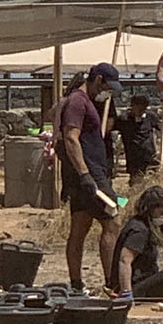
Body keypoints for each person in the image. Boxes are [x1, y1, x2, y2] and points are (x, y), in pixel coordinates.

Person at [59, 62, 122, 292]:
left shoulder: (90, 103)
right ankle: (111, 281)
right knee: (112, 219)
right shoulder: (77, 102)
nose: (107, 92)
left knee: (80, 225)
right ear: (98, 81)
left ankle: (77, 284)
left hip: (91, 172)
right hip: (89, 174)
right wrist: (85, 174)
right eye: (107, 87)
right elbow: (70, 138)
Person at [110, 185, 163, 300]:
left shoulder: (146, 226)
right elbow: (124, 260)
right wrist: (126, 292)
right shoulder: (139, 230)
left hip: (145, 281)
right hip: (135, 288)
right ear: (150, 209)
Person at [118, 94, 161, 187]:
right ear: (133, 106)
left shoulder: (150, 117)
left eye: (143, 109)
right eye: (139, 108)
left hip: (149, 156)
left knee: (151, 183)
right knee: (136, 184)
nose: (141, 112)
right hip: (133, 158)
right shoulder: (124, 119)